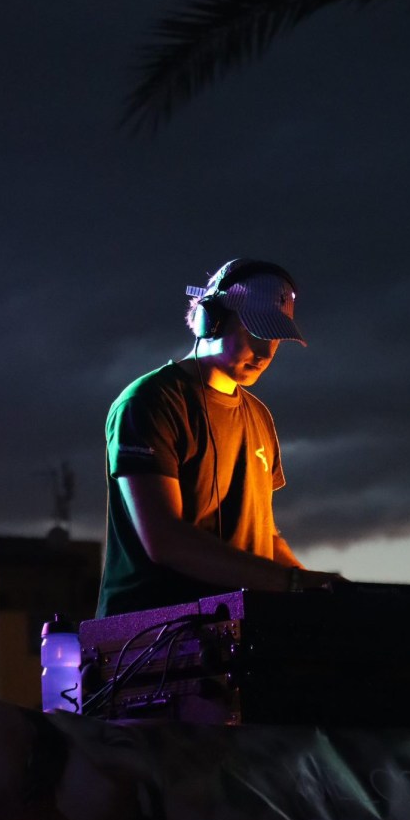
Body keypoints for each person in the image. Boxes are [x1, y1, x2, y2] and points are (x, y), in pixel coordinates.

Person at [96, 258, 343, 618]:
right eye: (256, 332)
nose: (266, 352)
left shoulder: (259, 416)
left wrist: (320, 589)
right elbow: (165, 539)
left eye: (275, 337)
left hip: (232, 627)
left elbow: (262, 537)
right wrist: (289, 583)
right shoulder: (148, 402)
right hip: (152, 634)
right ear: (210, 320)